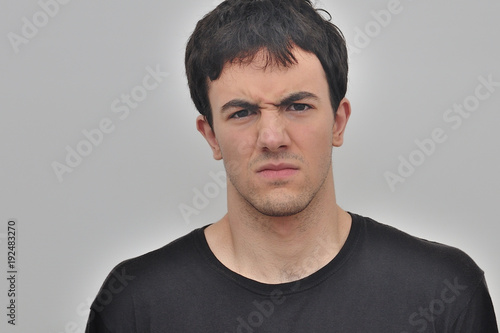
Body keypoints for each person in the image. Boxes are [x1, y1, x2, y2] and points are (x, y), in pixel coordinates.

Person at [85, 0, 498, 332]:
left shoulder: (444, 290)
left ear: (338, 122)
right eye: (242, 112)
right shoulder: (137, 303)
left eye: (297, 106)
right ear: (210, 135)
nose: (272, 137)